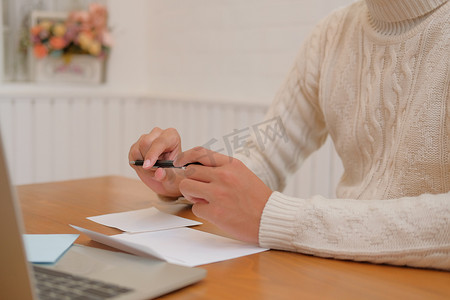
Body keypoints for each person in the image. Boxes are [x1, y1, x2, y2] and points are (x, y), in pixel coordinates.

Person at [129, 0, 450, 271]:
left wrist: (276, 218)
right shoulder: (331, 34)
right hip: (345, 269)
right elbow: (268, 153)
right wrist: (185, 178)